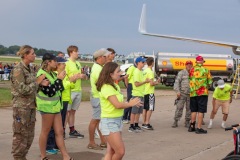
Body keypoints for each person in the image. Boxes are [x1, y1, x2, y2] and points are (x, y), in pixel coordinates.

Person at [96, 62, 142, 160]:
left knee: (111, 151)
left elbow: (119, 102)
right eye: (118, 71)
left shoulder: (114, 85)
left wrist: (130, 102)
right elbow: (116, 105)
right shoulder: (106, 87)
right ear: (110, 74)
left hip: (116, 120)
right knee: (120, 152)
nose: (121, 73)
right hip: (109, 122)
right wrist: (130, 104)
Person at [11, 45, 48, 160]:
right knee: (20, 135)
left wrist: (41, 84)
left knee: (29, 136)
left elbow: (33, 88)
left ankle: (23, 157)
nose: (35, 55)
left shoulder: (31, 68)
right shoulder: (18, 70)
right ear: (26, 55)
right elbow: (23, 89)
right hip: (21, 108)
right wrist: (38, 82)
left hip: (30, 107)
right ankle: (18, 157)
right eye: (32, 53)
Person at [36, 53, 73, 160]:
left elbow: (59, 88)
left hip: (55, 107)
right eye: (55, 61)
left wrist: (59, 80)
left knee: (59, 131)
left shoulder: (51, 74)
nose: (57, 63)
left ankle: (65, 156)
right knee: (45, 131)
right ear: (49, 62)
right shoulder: (42, 74)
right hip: (47, 107)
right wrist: (60, 79)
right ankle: (43, 156)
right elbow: (50, 92)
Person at [45, 56, 74, 154]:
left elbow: (67, 86)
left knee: (59, 125)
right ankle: (49, 145)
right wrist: (68, 81)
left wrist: (71, 81)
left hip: (63, 101)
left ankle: (56, 145)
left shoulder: (63, 74)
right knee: (53, 126)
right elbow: (60, 87)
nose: (65, 65)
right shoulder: (56, 75)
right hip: (56, 102)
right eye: (63, 64)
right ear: (58, 65)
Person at [87, 48, 110, 150]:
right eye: (105, 56)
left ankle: (103, 141)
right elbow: (99, 84)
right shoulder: (97, 69)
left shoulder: (98, 67)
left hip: (97, 96)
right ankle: (91, 142)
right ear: (100, 57)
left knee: (98, 120)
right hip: (97, 97)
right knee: (95, 120)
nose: (107, 58)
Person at [65, 45, 86, 138]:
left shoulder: (78, 63)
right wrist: (76, 77)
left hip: (78, 89)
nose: (78, 53)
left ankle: (72, 130)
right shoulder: (67, 64)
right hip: (70, 90)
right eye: (76, 51)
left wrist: (83, 76)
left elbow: (81, 75)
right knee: (67, 112)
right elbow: (65, 78)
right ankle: (62, 131)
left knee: (73, 111)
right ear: (71, 53)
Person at [188, 56, 212, 134]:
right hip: (202, 93)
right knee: (201, 111)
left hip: (193, 93)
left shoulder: (191, 70)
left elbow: (189, 80)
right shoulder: (206, 70)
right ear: (201, 61)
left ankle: (192, 126)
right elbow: (210, 82)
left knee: (193, 110)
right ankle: (199, 128)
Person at [128, 56, 150, 132]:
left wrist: (146, 80)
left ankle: (136, 124)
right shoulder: (136, 71)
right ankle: (131, 126)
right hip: (136, 94)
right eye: (142, 62)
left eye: (144, 62)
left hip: (141, 94)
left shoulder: (141, 72)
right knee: (134, 111)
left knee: (139, 111)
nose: (144, 64)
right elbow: (136, 84)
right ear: (138, 63)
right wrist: (145, 82)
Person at [172, 60, 193, 128]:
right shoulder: (181, 73)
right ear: (185, 65)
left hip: (191, 94)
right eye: (187, 64)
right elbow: (177, 83)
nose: (189, 66)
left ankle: (187, 121)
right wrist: (177, 92)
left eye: (190, 64)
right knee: (179, 108)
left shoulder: (194, 73)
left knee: (189, 109)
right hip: (182, 94)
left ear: (192, 65)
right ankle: (176, 121)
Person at [142, 57, 160, 130]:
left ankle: (144, 122)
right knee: (150, 108)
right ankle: (147, 122)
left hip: (144, 92)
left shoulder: (144, 71)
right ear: (152, 63)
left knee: (144, 108)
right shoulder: (150, 72)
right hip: (150, 92)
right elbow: (151, 83)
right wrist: (157, 82)